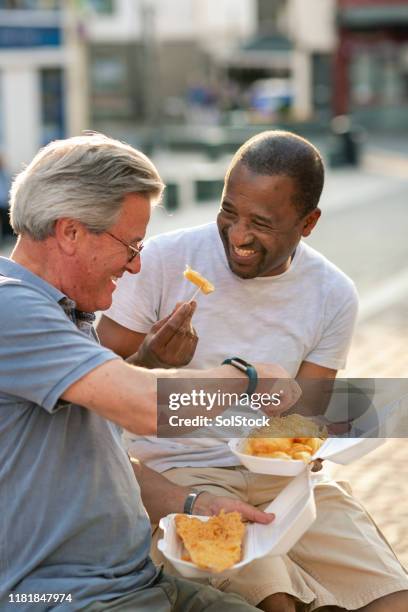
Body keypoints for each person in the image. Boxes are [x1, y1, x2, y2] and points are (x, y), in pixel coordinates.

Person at [99, 131, 408, 612]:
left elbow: (306, 413)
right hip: (180, 473)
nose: (239, 236)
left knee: (388, 596)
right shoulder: (161, 261)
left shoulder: (333, 293)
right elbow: (94, 381)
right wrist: (152, 359)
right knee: (275, 600)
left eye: (261, 224)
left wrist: (312, 430)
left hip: (282, 480)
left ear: (309, 223)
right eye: (229, 213)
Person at [0, 133, 301, 612]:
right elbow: (147, 407)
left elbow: (93, 464)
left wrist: (195, 504)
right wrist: (248, 377)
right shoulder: (10, 306)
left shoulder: (64, 315)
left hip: (137, 582)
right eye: (130, 244)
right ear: (70, 232)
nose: (137, 265)